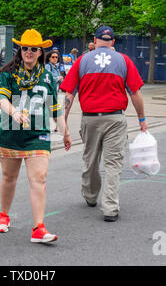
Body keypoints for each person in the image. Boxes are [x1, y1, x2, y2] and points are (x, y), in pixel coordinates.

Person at [60, 25, 147, 222]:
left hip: (89, 118)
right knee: (113, 163)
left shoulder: (82, 61)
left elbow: (68, 94)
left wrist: (63, 122)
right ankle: (110, 208)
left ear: (95, 40)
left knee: (90, 160)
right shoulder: (124, 60)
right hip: (115, 118)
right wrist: (142, 120)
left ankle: (91, 195)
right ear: (113, 42)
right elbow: (135, 93)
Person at [0, 29, 72, 243]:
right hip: (11, 132)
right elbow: (1, 99)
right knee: (10, 177)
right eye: (25, 48)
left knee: (39, 177)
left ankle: (38, 228)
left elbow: (55, 108)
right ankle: (4, 215)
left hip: (38, 134)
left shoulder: (47, 75)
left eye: (33, 49)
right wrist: (14, 112)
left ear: (40, 52)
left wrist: (64, 131)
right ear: (20, 50)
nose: (28, 52)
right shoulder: (8, 73)